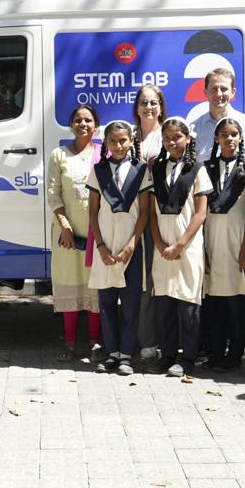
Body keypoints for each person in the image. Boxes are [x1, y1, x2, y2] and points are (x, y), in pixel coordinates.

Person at [146, 117, 213, 377]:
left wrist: (180, 244)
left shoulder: (198, 169)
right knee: (164, 302)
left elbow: (200, 213)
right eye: (167, 138)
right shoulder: (157, 168)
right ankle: (168, 353)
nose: (172, 142)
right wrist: (161, 243)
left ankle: (188, 358)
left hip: (187, 247)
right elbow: (152, 212)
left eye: (177, 137)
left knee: (187, 303)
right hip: (162, 246)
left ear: (188, 138)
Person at [87, 120, 150, 375]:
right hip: (106, 246)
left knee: (131, 304)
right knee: (107, 303)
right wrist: (100, 245)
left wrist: (132, 243)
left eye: (123, 140)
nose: (118, 145)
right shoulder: (98, 171)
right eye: (113, 141)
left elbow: (145, 212)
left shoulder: (142, 170)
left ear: (131, 140)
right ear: (106, 143)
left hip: (130, 247)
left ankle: (126, 355)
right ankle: (112, 353)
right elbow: (92, 212)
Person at [48, 105, 102, 362]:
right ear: (71, 125)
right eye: (78, 119)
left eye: (88, 120)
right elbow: (53, 192)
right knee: (70, 285)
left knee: (94, 288)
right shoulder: (59, 155)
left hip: (96, 234)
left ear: (96, 126)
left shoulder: (103, 154)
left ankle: (94, 344)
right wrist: (64, 225)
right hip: (66, 234)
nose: (83, 124)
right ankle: (69, 344)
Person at [200, 118, 245, 372]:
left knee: (237, 303)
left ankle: (235, 355)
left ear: (241, 138)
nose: (229, 139)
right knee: (215, 303)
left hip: (237, 242)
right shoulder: (206, 168)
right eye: (224, 134)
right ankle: (216, 352)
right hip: (212, 240)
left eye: (234, 135)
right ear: (216, 138)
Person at [132, 84, 164, 364]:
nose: (149, 107)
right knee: (138, 281)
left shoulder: (169, 135)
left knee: (157, 279)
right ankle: (141, 338)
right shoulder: (128, 138)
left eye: (153, 102)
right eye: (143, 102)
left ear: (161, 106)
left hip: (163, 218)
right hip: (131, 218)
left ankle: (159, 339)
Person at [190, 68, 245, 163]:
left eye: (223, 89)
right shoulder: (194, 128)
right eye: (214, 89)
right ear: (205, 92)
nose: (219, 94)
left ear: (233, 92)